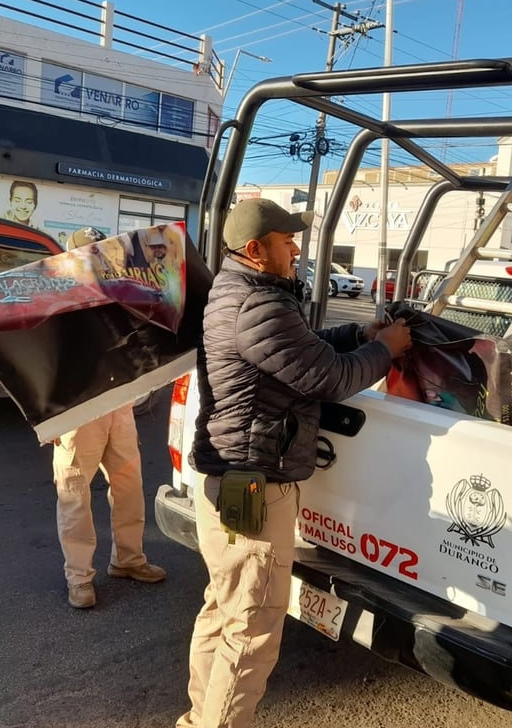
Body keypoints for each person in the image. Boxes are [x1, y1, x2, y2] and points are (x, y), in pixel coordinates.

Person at [177, 198, 412, 728]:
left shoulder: (237, 291)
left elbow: (300, 352)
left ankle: (198, 719)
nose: (295, 250)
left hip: (233, 479)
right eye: (287, 242)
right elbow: (330, 377)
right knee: (251, 629)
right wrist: (386, 350)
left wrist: (358, 336)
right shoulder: (258, 304)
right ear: (257, 250)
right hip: (254, 487)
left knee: (223, 612)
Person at [52, 227, 167, 610]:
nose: (94, 260)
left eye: (98, 253)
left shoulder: (117, 294)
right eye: (87, 254)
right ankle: (79, 578)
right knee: (74, 495)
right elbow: (42, 364)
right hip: (77, 410)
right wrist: (50, 418)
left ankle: (128, 560)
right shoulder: (56, 301)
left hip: (117, 405)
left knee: (129, 486)